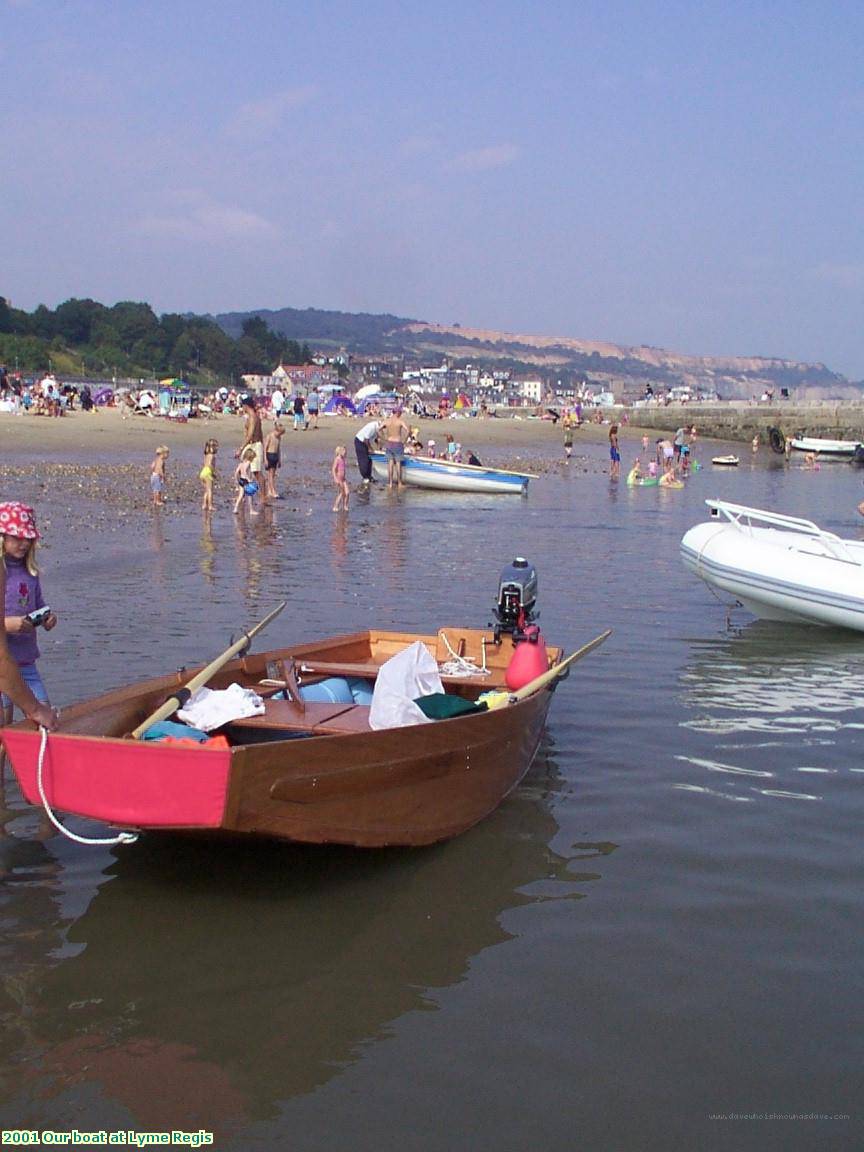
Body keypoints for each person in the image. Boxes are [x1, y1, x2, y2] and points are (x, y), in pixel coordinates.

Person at [1, 502, 58, 723]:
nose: (24, 543)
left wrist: (47, 618)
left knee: (44, 713)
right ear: (2, 537)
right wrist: (7, 625)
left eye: (28, 539)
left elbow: (38, 605)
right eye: (17, 538)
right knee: (4, 724)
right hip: (3, 663)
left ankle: (31, 756)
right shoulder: (1, 571)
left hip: (26, 661)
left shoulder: (30, 573)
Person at [237, 395, 265, 498]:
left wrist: (240, 449)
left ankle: (263, 496)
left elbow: (250, 434)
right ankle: (244, 493)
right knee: (244, 469)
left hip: (255, 445)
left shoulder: (253, 417)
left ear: (246, 406)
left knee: (256, 472)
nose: (242, 408)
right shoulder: (254, 417)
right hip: (253, 444)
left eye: (242, 406)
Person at [382, 408, 410, 488]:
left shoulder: (387, 421)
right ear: (397, 412)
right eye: (400, 412)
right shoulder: (400, 421)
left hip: (389, 443)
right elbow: (408, 431)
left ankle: (390, 483)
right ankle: (399, 483)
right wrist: (404, 441)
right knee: (398, 464)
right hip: (397, 443)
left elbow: (378, 429)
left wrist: (384, 438)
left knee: (390, 464)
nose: (401, 414)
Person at [233, 446, 259, 515]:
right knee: (250, 495)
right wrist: (249, 479)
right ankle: (251, 510)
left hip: (241, 480)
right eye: (253, 458)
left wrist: (236, 480)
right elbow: (245, 471)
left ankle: (235, 508)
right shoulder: (248, 463)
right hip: (246, 481)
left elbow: (236, 472)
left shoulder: (241, 463)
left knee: (240, 495)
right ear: (250, 457)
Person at [354, 418, 381, 484]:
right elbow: (365, 439)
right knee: (363, 460)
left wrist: (379, 446)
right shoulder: (372, 427)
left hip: (365, 442)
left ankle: (369, 476)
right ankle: (365, 477)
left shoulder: (377, 429)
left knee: (369, 460)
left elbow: (376, 439)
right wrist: (370, 448)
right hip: (360, 441)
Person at [263, 422, 285, 500]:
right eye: (279, 433)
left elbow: (278, 449)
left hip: (275, 456)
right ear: (276, 431)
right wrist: (265, 459)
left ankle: (270, 490)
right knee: (270, 475)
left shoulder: (279, 438)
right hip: (269, 455)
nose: (280, 435)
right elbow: (265, 448)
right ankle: (273, 491)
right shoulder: (270, 436)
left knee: (272, 475)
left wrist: (279, 459)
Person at [199, 438, 219, 513]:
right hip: (208, 472)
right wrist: (213, 472)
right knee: (210, 490)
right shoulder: (212, 456)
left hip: (203, 472)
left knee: (206, 490)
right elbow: (210, 465)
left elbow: (205, 464)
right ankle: (210, 505)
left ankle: (204, 504)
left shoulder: (206, 455)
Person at [331, 445, 350, 512]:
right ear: (340, 452)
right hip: (339, 479)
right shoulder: (337, 459)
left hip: (343, 479)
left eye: (346, 452)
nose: (345, 453)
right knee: (342, 493)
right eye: (344, 451)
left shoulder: (343, 459)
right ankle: (335, 506)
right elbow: (333, 469)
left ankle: (345, 506)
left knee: (347, 493)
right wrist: (335, 478)